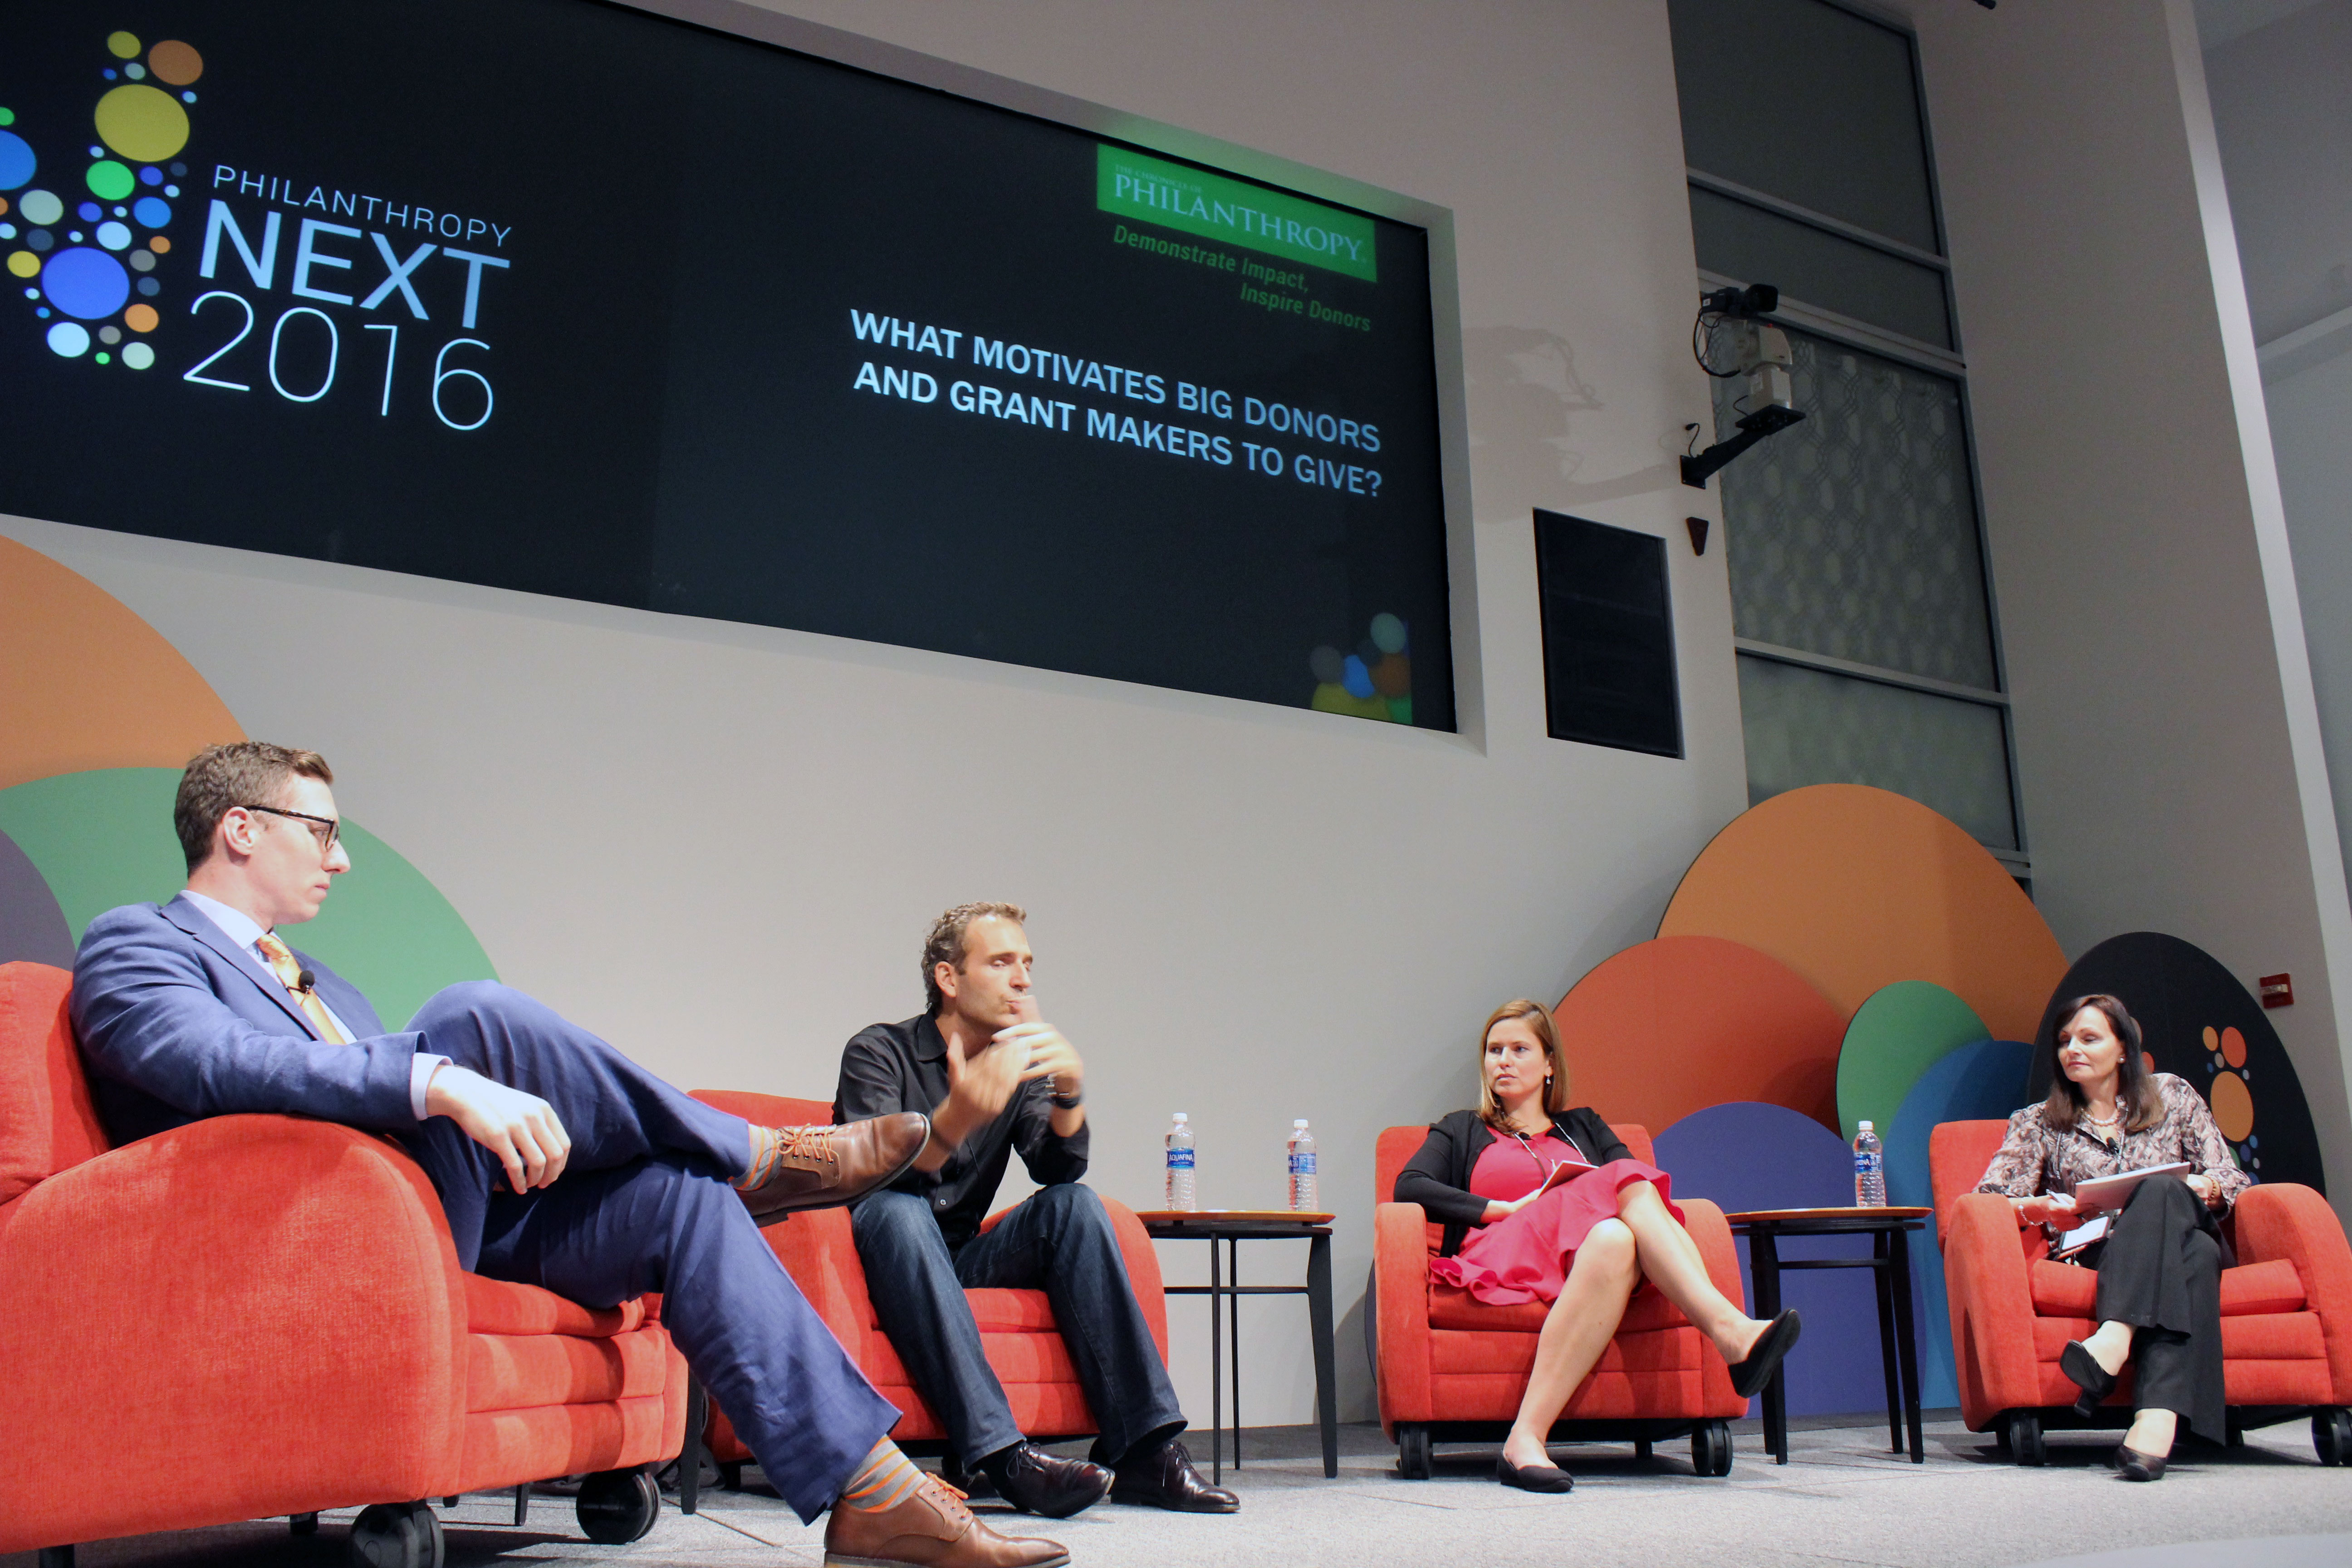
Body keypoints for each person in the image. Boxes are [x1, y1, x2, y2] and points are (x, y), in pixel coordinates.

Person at [72, 743, 1068, 1568]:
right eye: (321, 832)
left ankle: (873, 1492)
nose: (339, 861)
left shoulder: (319, 979)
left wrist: (449, 1098)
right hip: (319, 1241)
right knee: (471, 1015)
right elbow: (209, 1063)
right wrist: (439, 1080)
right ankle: (757, 1154)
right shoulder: (138, 945)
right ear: (239, 828)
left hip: (429, 1218)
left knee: (679, 1198)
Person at [833, 902, 1237, 1519]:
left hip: (962, 1257)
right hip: (884, 1259)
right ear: (949, 979)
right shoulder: (877, 1052)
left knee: (1074, 1206)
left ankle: (1145, 1451)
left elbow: (1056, 1167)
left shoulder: (1016, 1067)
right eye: (1001, 962)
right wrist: (957, 1116)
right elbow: (873, 1172)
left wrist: (1068, 1089)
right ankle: (1003, 1457)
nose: (1023, 979)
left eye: (1027, 964)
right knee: (896, 1211)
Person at [1393, 999, 1800, 1493]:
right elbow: (1410, 1185)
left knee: (1615, 1233)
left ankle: (1524, 1440)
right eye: (1494, 1049)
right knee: (1623, 1180)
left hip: (1588, 1262)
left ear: (1548, 1065)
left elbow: (1642, 1194)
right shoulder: (1463, 1128)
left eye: (1519, 1049)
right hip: (1505, 1253)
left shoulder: (1584, 1126)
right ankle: (1729, 1331)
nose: (1503, 1059)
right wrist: (1502, 1208)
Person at [1974, 992, 2250, 1480]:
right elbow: (1989, 1198)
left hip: (2184, 1217)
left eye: (2089, 1038)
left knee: (2163, 1191)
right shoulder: (2038, 1122)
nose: (2072, 1050)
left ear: (2124, 1048)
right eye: (2065, 1041)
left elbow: (2230, 1179)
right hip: (2103, 1253)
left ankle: (2114, 1338)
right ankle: (2156, 1419)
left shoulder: (2175, 1097)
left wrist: (2191, 1187)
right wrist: (2036, 1208)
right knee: (2198, 1255)